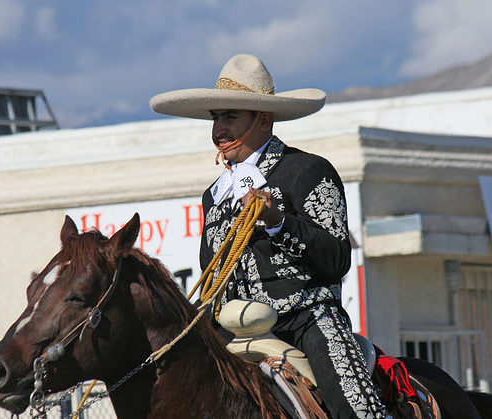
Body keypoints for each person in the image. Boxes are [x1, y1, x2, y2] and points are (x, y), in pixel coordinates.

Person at [150, 54, 385, 419]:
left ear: (264, 119)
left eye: (230, 117)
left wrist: (278, 221)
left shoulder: (307, 171)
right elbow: (210, 275)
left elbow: (336, 258)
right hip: (229, 329)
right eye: (215, 118)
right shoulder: (214, 194)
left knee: (356, 408)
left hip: (306, 321)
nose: (218, 130)